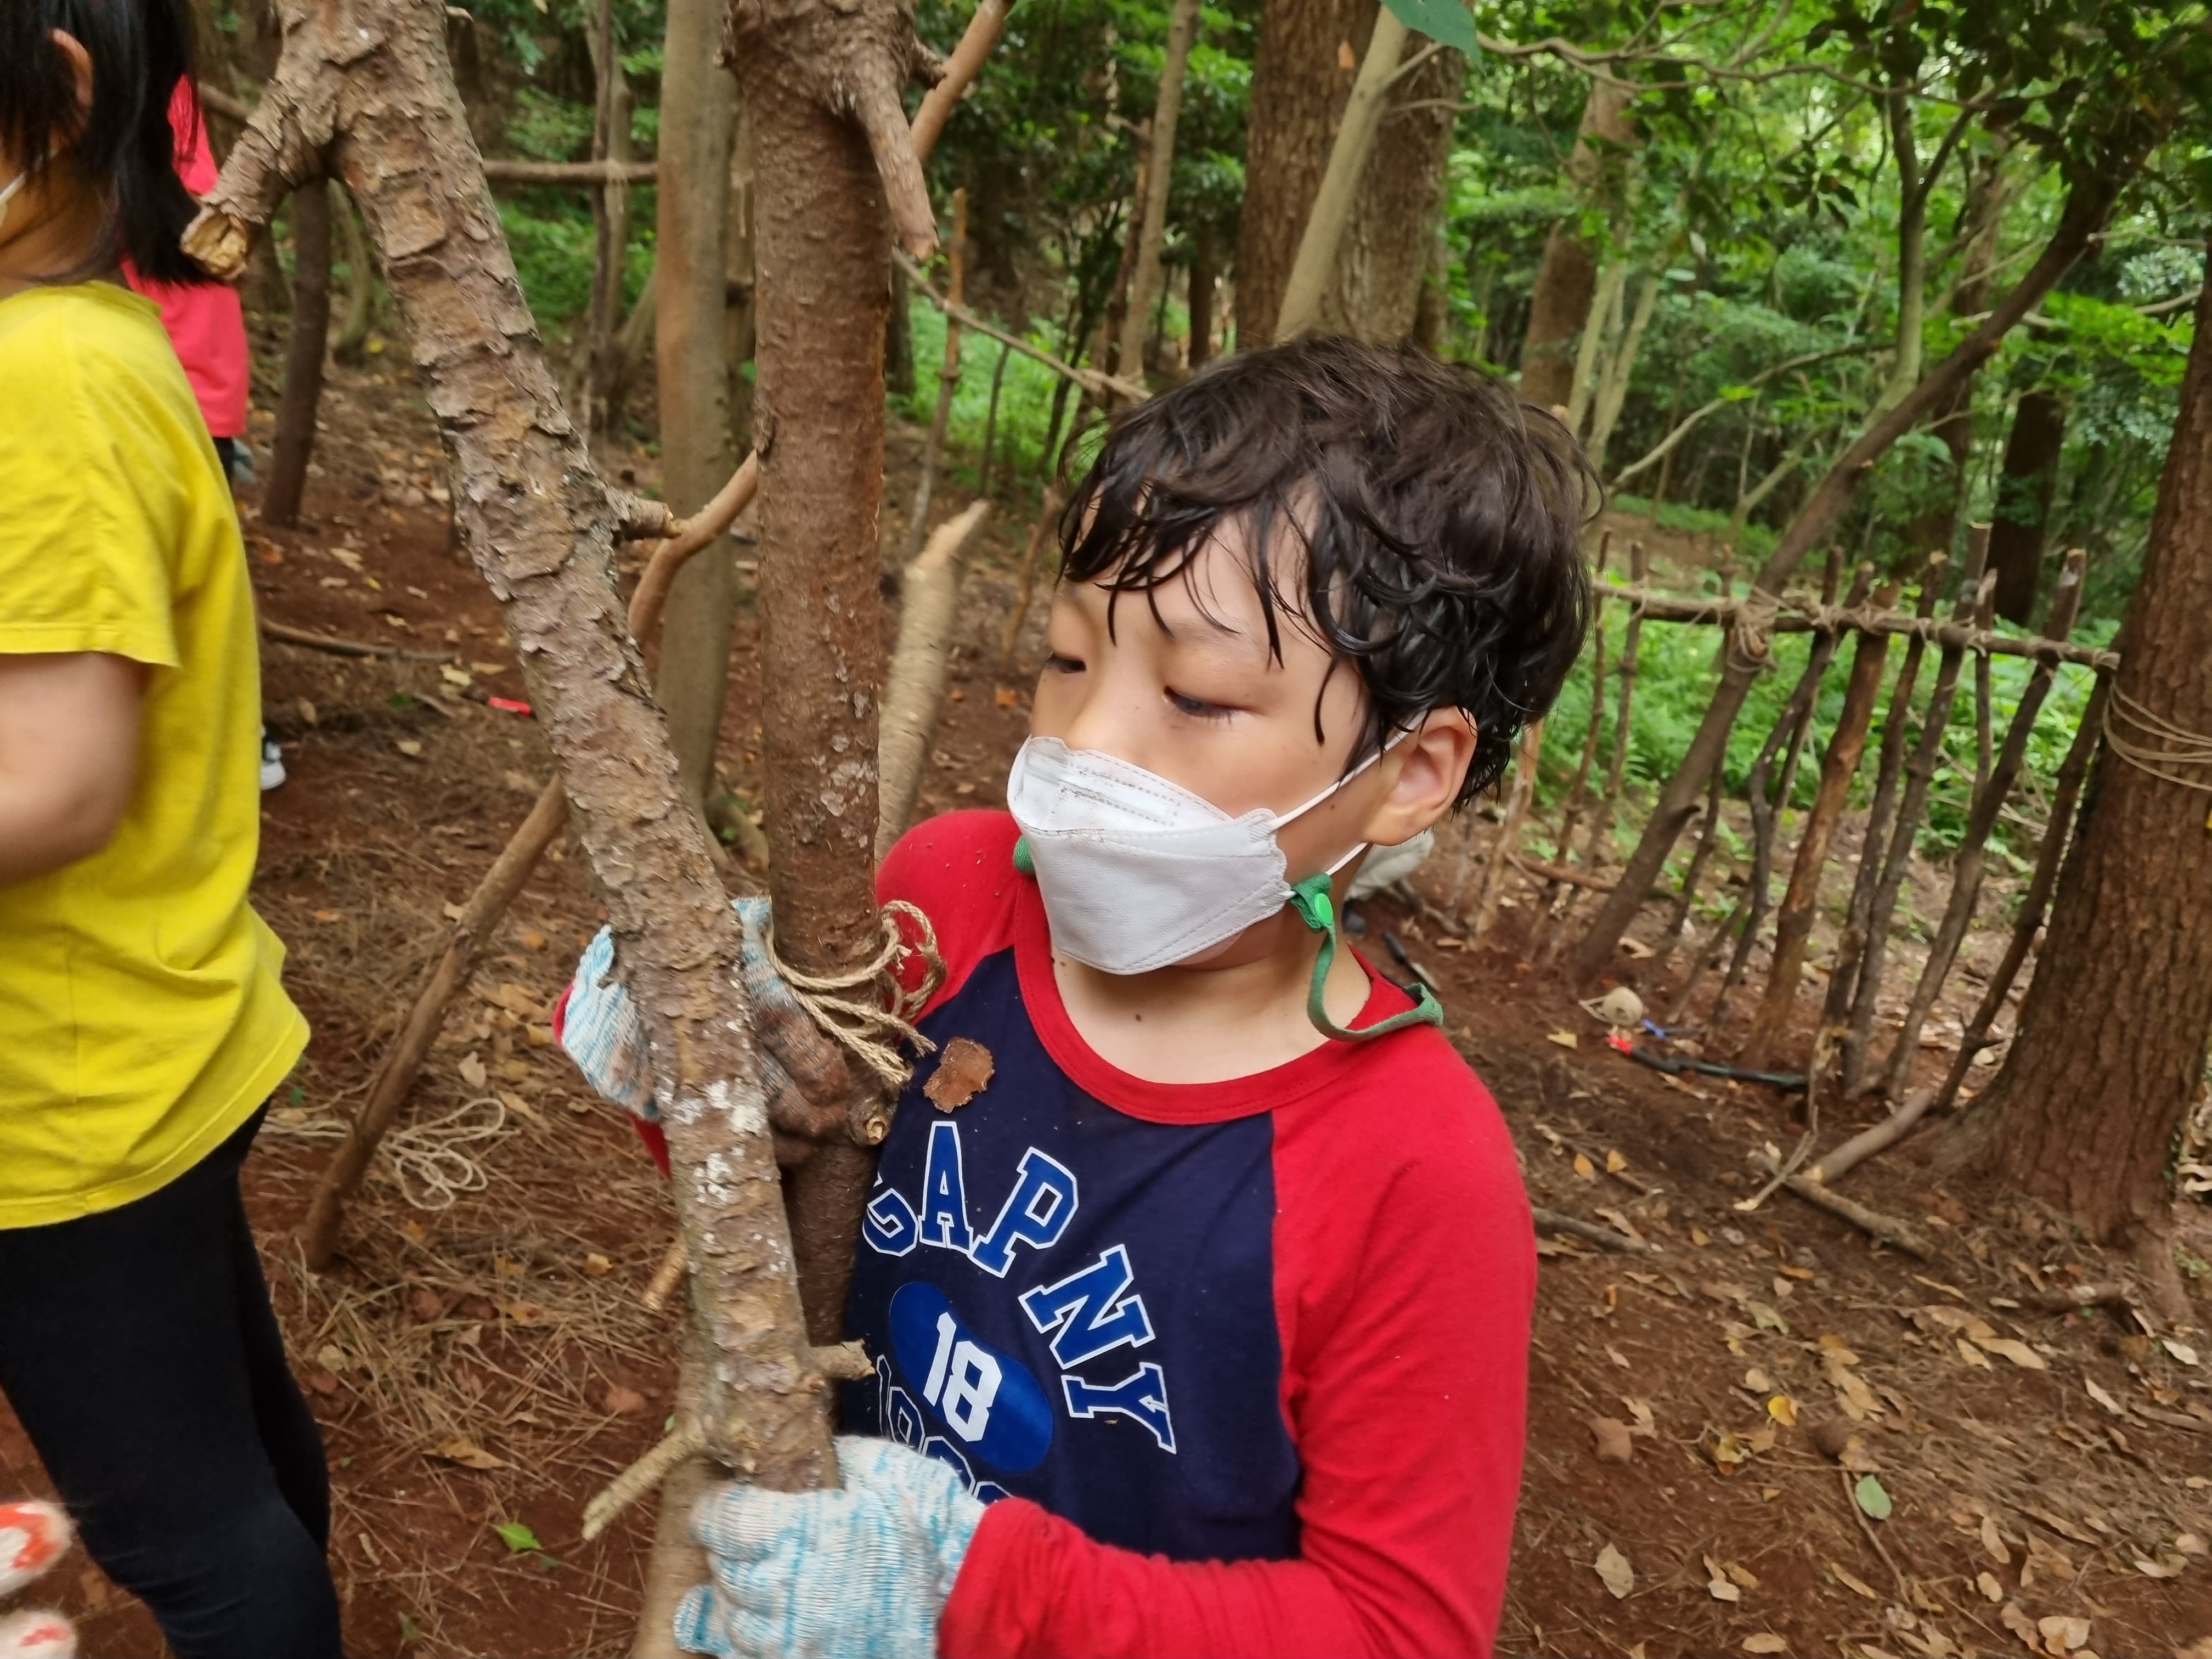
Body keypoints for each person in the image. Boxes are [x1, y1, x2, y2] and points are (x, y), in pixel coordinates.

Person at [562, 338, 1590, 1656]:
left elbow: (1397, 1633)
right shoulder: (952, 898)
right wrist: (699, 1065)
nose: (1088, 739)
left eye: (1198, 696)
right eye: (1067, 659)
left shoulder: (1416, 1172)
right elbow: (793, 1190)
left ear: (1411, 769)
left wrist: (974, 1594)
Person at [0, 6, 341, 1657]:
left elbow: (57, 779)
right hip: (142, 1037)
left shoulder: (43, 381)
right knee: (228, 1452)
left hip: (55, 1097)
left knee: (185, 1536)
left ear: (59, 96)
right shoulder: (93, 343)